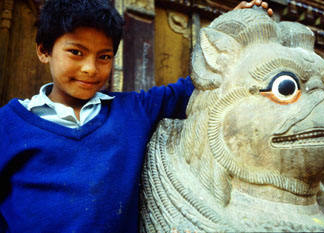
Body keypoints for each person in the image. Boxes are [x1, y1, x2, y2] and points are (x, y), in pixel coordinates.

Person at [0, 0, 272, 232]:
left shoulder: (133, 111)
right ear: (44, 51)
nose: (89, 68)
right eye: (76, 52)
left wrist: (230, 29)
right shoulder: (9, 124)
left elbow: (192, 87)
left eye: (104, 57)